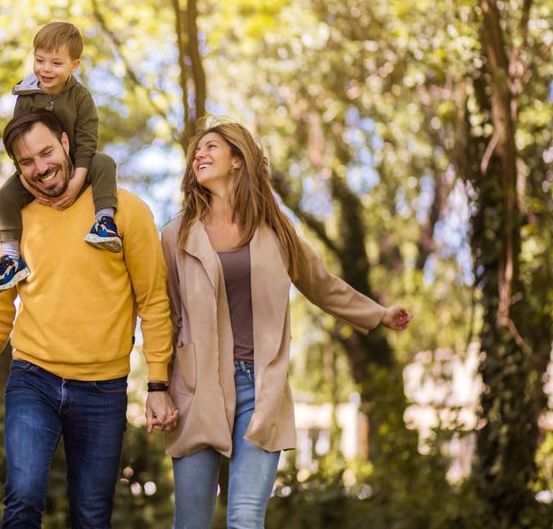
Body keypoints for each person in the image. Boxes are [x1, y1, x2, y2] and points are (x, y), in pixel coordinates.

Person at [161, 121, 413, 529]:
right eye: (195, 153)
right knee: (190, 522)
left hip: (260, 388)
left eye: (210, 148)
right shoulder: (177, 235)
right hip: (197, 387)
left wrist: (377, 314)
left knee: (245, 519)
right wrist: (159, 387)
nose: (198, 157)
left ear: (238, 161)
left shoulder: (275, 231)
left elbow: (321, 283)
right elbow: (164, 313)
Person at [0, 110, 178, 528]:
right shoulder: (13, 224)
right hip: (33, 378)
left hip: (103, 388)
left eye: (46, 152)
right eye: (26, 162)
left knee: (92, 516)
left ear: (65, 142)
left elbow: (153, 300)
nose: (40, 168)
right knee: (22, 498)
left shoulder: (125, 211)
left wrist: (158, 383)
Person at [0, 21, 122, 294]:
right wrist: (28, 184)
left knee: (105, 162)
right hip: (36, 169)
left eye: (56, 63)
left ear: (74, 66)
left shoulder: (81, 97)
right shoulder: (25, 96)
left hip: (77, 164)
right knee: (5, 196)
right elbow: (18, 143)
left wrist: (77, 181)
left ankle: (105, 221)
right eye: (39, 60)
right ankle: (11, 256)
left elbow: (87, 141)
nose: (46, 69)